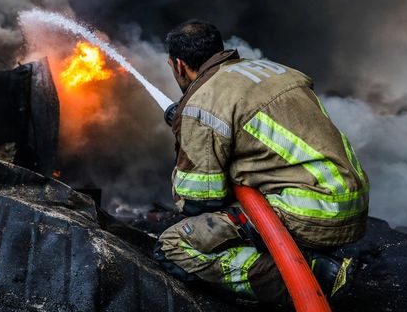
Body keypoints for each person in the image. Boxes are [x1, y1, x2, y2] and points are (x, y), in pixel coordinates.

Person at [154, 19, 369, 307]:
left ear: (178, 65)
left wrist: (187, 133)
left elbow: (198, 200)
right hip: (352, 201)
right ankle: (312, 258)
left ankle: (315, 277)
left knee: (174, 246)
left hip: (308, 212)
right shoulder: (274, 70)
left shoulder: (202, 103)